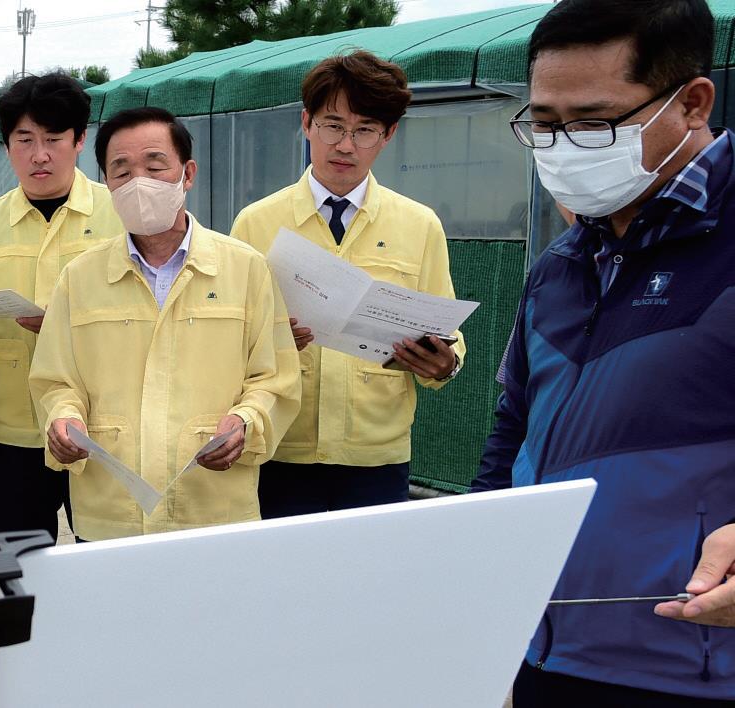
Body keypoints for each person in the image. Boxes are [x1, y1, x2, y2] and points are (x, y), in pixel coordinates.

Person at [473, 0, 734, 702]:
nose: (561, 148)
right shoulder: (562, 264)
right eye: (545, 124)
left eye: (592, 123)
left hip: (690, 666)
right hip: (539, 653)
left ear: (692, 102)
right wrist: (469, 559)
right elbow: (514, 429)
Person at [30, 107, 298, 541]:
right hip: (109, 514)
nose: (139, 182)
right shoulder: (80, 277)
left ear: (187, 173)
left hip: (215, 512)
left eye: (155, 165)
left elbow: (275, 378)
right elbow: (55, 380)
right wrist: (63, 419)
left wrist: (247, 422)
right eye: (122, 170)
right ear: (107, 183)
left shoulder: (245, 269)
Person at [228, 50, 466, 518]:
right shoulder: (257, 223)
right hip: (281, 450)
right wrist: (272, 344)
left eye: (364, 130)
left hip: (376, 457)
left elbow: (448, 332)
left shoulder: (419, 226)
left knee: (369, 587)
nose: (346, 145)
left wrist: (444, 365)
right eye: (333, 125)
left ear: (388, 135)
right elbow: (226, 340)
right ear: (306, 123)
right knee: (285, 584)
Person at [0, 72, 123, 539]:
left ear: (80, 140)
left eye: (54, 138)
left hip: (104, 430)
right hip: (12, 438)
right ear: (6, 145)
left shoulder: (122, 217)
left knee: (106, 559)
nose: (40, 154)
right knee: (16, 572)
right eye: (24, 140)